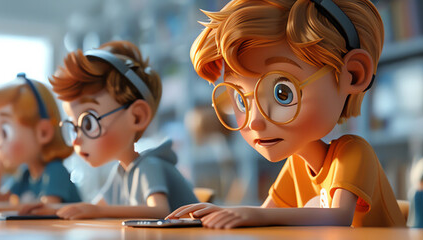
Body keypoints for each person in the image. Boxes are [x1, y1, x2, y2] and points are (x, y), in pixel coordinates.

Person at [166, 0, 405, 228]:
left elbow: (338, 217)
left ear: (353, 74)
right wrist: (222, 213)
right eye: (240, 99)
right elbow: (267, 213)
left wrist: (253, 215)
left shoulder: (353, 152)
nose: (256, 121)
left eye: (283, 93)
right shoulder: (296, 165)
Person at [22, 40, 198, 219]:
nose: (76, 140)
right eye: (74, 127)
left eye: (88, 124)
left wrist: (97, 211)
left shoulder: (148, 166)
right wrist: (52, 210)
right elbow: (91, 207)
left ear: (137, 116)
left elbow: (160, 211)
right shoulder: (121, 173)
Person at [0, 73, 81, 205]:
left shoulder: (55, 170)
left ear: (43, 132)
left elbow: (44, 211)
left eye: (4, 133)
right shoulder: (26, 175)